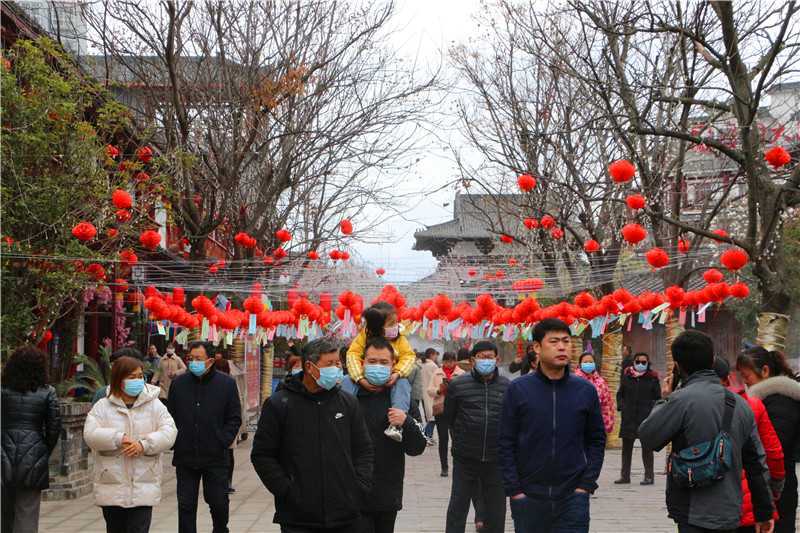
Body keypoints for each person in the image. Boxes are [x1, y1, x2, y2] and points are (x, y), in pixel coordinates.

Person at [639, 330, 775, 533]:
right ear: (712, 360)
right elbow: (756, 462)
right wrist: (764, 512)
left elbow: (648, 436)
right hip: (730, 510)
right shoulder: (740, 404)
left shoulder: (680, 400)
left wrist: (665, 397)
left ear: (677, 364)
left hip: (691, 511)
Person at [251, 338, 374, 532]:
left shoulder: (348, 403)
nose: (336, 369)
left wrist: (358, 487)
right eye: (329, 364)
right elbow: (262, 455)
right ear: (309, 366)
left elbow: (364, 449)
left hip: (346, 514)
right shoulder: (279, 404)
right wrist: (286, 490)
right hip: (298, 518)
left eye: (338, 363)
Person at [499, 319, 606, 533]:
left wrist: (585, 485)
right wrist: (515, 490)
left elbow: (596, 439)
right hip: (529, 496)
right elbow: (505, 441)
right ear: (537, 348)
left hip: (572, 497)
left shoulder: (584, 390)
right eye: (554, 341)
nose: (561, 347)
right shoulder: (518, 389)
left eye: (566, 341)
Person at [84, 356, 177, 533]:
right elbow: (90, 434)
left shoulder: (154, 405)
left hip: (144, 483)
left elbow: (169, 431)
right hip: (111, 484)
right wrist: (118, 438)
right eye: (132, 377)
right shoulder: (103, 406)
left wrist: (144, 445)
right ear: (119, 379)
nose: (138, 381)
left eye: (140, 376)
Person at [353, 337, 426, 533]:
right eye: (372, 361)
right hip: (352, 495)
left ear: (393, 364)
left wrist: (406, 422)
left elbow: (417, 447)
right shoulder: (348, 397)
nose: (378, 366)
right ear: (362, 363)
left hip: (387, 494)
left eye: (384, 362)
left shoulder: (401, 400)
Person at [167, 341, 242, 533]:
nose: (194, 363)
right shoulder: (178, 384)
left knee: (218, 502)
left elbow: (234, 418)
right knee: (185, 505)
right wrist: (175, 440)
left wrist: (222, 440)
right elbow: (170, 416)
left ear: (210, 360)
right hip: (186, 456)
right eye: (191, 359)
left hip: (215, 456)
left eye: (198, 359)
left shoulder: (226, 384)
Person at [713, 357, 785, 533]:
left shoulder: (689, 407)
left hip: (705, 506)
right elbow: (773, 452)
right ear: (727, 378)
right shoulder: (752, 406)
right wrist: (775, 487)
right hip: (749, 501)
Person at [444, 341, 509, 533]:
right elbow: (450, 417)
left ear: (497, 359)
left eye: (490, 357)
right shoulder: (458, 385)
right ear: (473, 360)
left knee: (496, 510)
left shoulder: (508, 386)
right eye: (481, 357)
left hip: (496, 459)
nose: (486, 361)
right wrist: (460, 444)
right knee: (458, 507)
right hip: (466, 459)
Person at [737, 347, 800, 533]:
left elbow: (775, 449)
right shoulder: (766, 399)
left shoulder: (781, 401)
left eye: (746, 376)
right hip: (768, 484)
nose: (745, 382)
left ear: (764, 371)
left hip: (777, 487)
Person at [1, 346, 61, 533]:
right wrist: (42, 450)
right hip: (34, 455)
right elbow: (54, 427)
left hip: (2, 452)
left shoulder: (2, 390)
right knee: (27, 511)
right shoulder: (47, 392)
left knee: (4, 512)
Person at [346, 302, 415, 442]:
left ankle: (396, 425)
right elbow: (352, 355)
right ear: (378, 328)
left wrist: (397, 373)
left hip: (392, 379)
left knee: (403, 384)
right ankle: (343, 416)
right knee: (346, 381)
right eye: (391, 323)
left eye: (397, 322)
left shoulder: (400, 339)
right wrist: (359, 378)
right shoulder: (363, 337)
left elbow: (409, 356)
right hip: (364, 377)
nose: (396, 326)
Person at [615, 351, 661, 485]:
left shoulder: (652, 378)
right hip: (628, 416)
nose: (640, 364)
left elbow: (658, 398)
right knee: (626, 449)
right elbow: (620, 394)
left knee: (647, 448)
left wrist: (652, 412)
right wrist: (621, 406)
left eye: (643, 362)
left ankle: (649, 476)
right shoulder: (627, 377)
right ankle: (625, 476)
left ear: (648, 363)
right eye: (638, 362)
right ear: (633, 363)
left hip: (645, 418)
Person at [427, 351, 465, 477]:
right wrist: (439, 390)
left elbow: (466, 391)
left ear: (455, 361)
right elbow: (429, 390)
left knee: (456, 439)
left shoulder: (461, 374)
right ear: (443, 361)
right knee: (443, 439)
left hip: (456, 410)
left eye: (452, 361)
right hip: (441, 409)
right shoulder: (437, 372)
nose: (449, 363)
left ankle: (458, 466)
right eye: (447, 361)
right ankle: (444, 467)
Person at [213, 358, 240, 495]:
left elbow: (236, 407)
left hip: (227, 426)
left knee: (229, 454)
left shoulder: (230, 383)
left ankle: (227, 481)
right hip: (215, 425)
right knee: (227, 455)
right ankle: (224, 481)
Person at [574, 351, 616, 434]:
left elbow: (607, 405)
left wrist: (607, 425)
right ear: (579, 364)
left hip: (597, 427)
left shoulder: (601, 382)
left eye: (591, 362)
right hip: (577, 427)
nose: (588, 364)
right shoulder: (574, 381)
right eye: (585, 362)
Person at [420, 347, 440, 441]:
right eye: (436, 355)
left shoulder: (419, 363)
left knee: (429, 417)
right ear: (432, 354)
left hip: (420, 393)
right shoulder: (433, 365)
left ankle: (427, 435)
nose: (436, 357)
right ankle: (426, 436)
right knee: (433, 417)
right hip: (431, 393)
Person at [406, 354, 425, 423]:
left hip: (412, 393)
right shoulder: (417, 366)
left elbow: (409, 380)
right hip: (417, 393)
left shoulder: (412, 367)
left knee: (412, 411)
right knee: (415, 410)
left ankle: (413, 423)